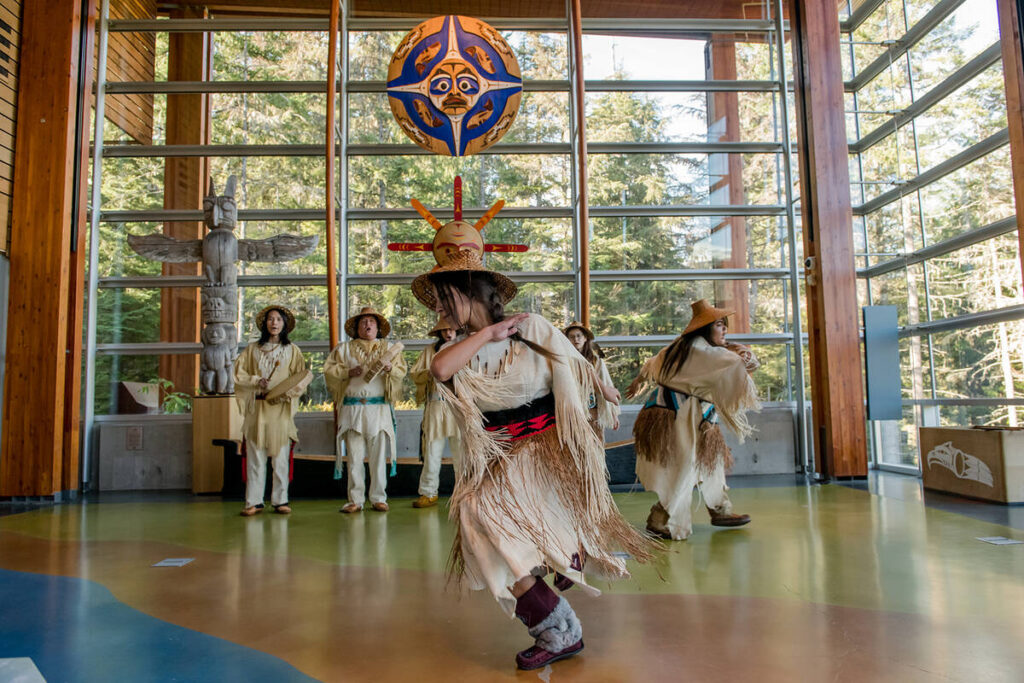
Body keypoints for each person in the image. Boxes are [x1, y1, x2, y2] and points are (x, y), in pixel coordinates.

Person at [412, 250, 657, 671]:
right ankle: (555, 622)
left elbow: (573, 360)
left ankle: (558, 607)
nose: (436, 307)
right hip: (500, 454)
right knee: (477, 522)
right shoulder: (459, 349)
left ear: (468, 292)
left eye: (442, 296)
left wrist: (604, 388)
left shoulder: (532, 327)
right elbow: (439, 370)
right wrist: (487, 335)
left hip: (546, 449)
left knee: (478, 509)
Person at [626, 299, 760, 541]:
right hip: (681, 417)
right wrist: (742, 353)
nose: (724, 330)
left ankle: (720, 510)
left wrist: (638, 380)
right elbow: (749, 365)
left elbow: (651, 364)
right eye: (719, 325)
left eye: (724, 325)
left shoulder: (680, 347)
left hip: (682, 415)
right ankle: (660, 519)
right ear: (705, 328)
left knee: (712, 462)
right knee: (685, 468)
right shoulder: (704, 352)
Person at [323, 307, 407, 513]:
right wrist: (348, 372)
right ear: (356, 327)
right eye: (363, 322)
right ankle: (355, 499)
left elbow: (401, 372)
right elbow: (329, 370)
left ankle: (379, 498)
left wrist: (390, 369)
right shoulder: (343, 349)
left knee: (378, 457)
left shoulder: (389, 349)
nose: (367, 325)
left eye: (371, 322)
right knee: (354, 457)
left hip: (378, 409)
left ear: (378, 327)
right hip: (352, 409)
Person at [233, 305, 312, 517]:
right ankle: (254, 501)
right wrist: (256, 380)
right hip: (257, 408)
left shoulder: (292, 350)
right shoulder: (252, 350)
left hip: (280, 410)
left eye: (278, 319)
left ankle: (280, 500)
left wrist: (288, 393)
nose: (274, 323)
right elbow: (238, 374)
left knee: (280, 456)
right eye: (270, 319)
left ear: (284, 324)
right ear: (264, 323)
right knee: (255, 455)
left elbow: (301, 380)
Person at [410, 319, 462, 508]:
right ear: (439, 333)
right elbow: (415, 373)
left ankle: (464, 493)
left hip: (458, 406)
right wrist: (430, 372)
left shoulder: (465, 349)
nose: (448, 333)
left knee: (462, 452)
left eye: (452, 329)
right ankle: (428, 492)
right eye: (445, 330)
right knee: (431, 451)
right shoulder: (429, 352)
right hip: (435, 405)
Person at [563, 321, 620, 438]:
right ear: (566, 340)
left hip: (593, 410)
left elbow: (606, 383)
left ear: (585, 338)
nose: (576, 339)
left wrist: (613, 414)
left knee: (595, 444)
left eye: (579, 336)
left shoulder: (595, 360)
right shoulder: (563, 361)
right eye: (571, 337)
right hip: (571, 411)